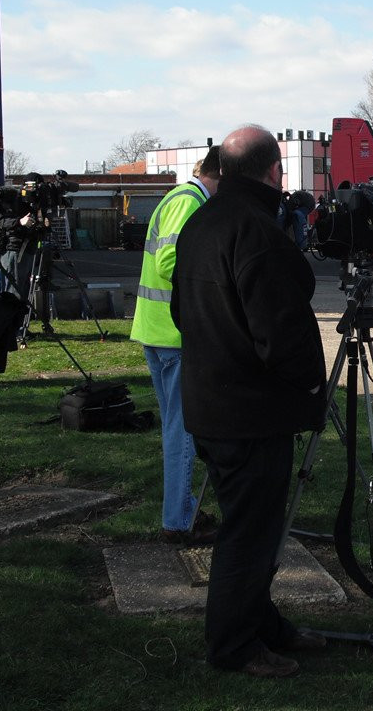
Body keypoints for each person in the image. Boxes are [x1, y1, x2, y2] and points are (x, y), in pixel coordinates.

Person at [171, 124, 327, 679]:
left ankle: (264, 626)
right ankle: (233, 646)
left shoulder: (202, 222)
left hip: (212, 402)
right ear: (272, 170)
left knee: (251, 526)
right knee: (248, 533)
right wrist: (312, 384)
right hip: (249, 412)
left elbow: (179, 313)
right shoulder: (257, 230)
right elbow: (281, 333)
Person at [131, 147, 221, 544]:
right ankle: (178, 520)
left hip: (157, 329)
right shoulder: (189, 203)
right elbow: (171, 262)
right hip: (174, 334)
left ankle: (179, 511)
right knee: (182, 431)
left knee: (176, 429)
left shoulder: (177, 196)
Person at [0, 172, 41, 299]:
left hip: (29, 248)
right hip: (14, 248)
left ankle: (22, 314)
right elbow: (2, 222)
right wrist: (20, 222)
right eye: (32, 187)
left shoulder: (37, 202)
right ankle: (10, 315)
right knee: (13, 287)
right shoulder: (13, 199)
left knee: (24, 287)